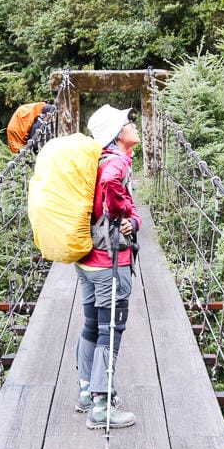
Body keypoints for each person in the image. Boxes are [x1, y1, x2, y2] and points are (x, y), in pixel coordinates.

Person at [74, 104, 142, 430]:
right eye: (128, 122)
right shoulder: (115, 162)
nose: (133, 124)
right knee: (110, 331)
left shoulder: (99, 159)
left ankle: (87, 391)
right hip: (109, 263)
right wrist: (122, 213)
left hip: (86, 259)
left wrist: (130, 216)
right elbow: (113, 186)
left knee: (91, 323)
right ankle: (101, 406)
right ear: (117, 135)